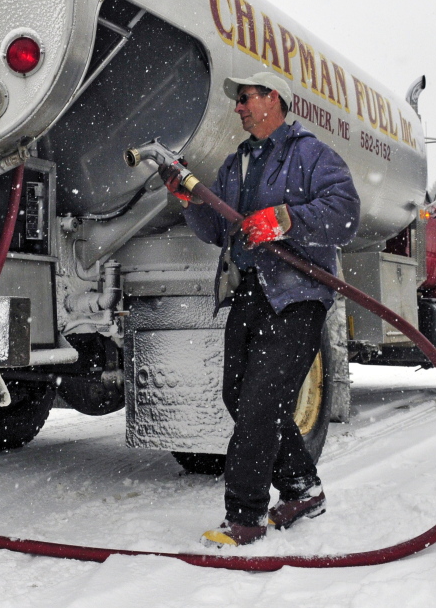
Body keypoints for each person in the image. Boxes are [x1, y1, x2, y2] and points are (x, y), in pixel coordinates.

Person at [162, 70, 360, 547]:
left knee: (260, 405)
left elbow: (345, 213)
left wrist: (287, 219)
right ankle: (301, 488)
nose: (238, 107)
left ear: (274, 100)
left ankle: (245, 518)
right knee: (239, 396)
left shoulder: (310, 154)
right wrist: (190, 201)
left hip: (296, 296)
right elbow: (220, 230)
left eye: (246, 98)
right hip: (249, 292)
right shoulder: (237, 164)